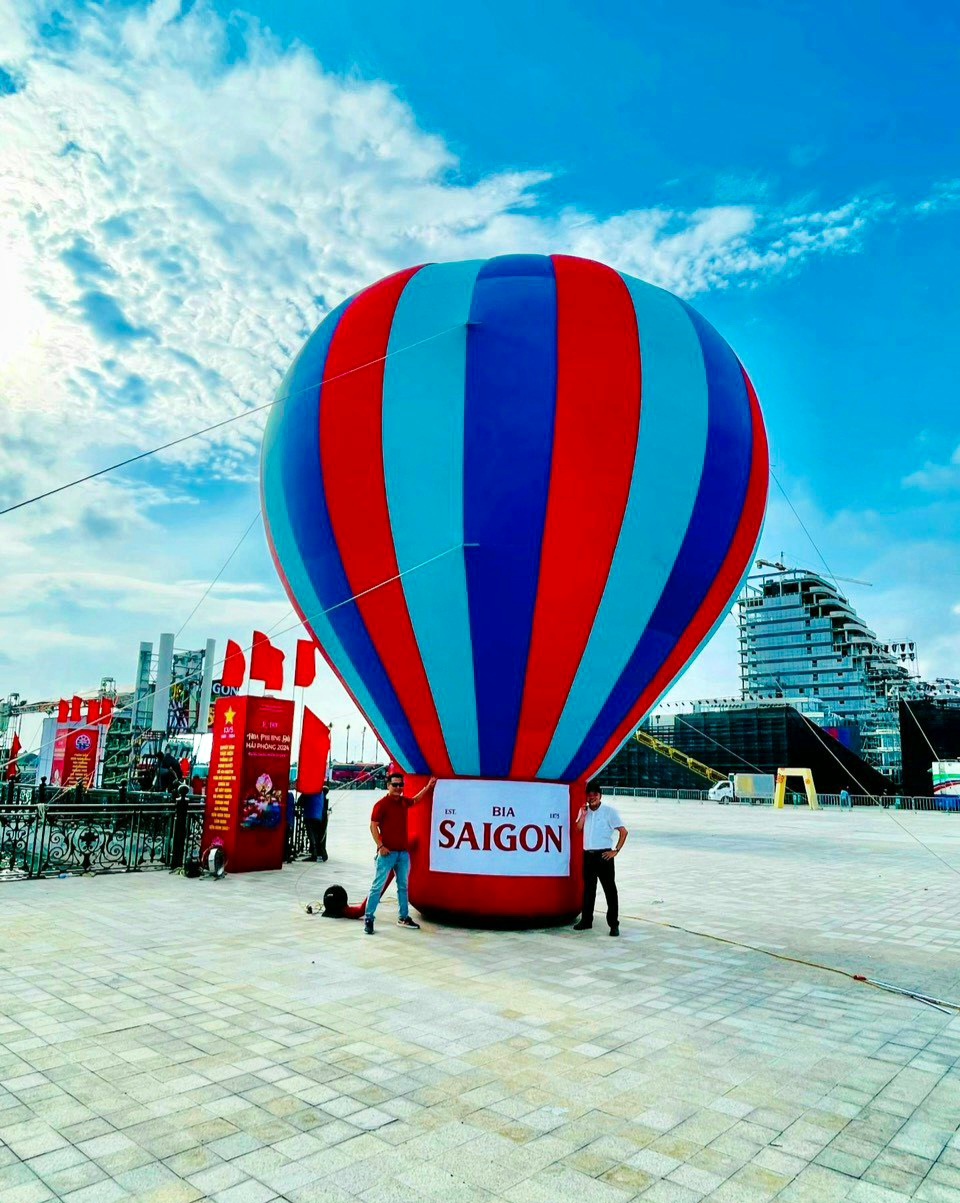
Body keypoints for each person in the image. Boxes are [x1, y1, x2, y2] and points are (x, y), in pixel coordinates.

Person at [364, 772, 436, 935]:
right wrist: (380, 845)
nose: (398, 788)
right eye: (394, 785)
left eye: (400, 785)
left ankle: (403, 917)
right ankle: (369, 917)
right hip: (387, 854)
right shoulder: (381, 805)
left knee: (403, 886)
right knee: (377, 886)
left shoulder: (403, 802)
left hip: (403, 853)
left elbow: (416, 800)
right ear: (388, 785)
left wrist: (428, 787)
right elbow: (373, 826)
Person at [573, 781, 628, 937]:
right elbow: (577, 829)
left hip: (604, 855)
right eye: (589, 795)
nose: (592, 798)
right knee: (588, 890)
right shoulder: (584, 810)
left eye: (595, 795)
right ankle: (586, 921)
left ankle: (613, 924)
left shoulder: (609, 811)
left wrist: (615, 850)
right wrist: (583, 815)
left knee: (610, 890)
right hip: (588, 855)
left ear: (600, 796)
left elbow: (623, 832)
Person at [301, 785, 329, 862]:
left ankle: (314, 854)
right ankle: (321, 853)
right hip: (319, 816)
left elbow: (299, 802)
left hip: (310, 815)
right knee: (317, 835)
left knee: (311, 835)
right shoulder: (322, 793)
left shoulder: (308, 791)